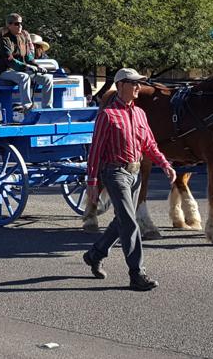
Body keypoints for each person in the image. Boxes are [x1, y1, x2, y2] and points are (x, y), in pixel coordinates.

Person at [82, 68, 176, 291]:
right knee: (130, 223)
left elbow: (150, 145)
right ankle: (137, 274)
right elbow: (95, 150)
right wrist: (92, 183)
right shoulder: (108, 115)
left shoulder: (140, 114)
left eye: (138, 83)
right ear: (120, 85)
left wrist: (164, 164)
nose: (137, 87)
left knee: (122, 221)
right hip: (114, 173)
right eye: (133, 83)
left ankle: (94, 255)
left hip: (135, 174)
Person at [0, 13, 54, 111]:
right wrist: (27, 67)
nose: (20, 26)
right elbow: (9, 60)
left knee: (48, 78)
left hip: (24, 70)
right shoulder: (4, 40)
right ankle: (27, 106)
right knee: (24, 76)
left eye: (20, 23)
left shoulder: (23, 38)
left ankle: (47, 108)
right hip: (6, 71)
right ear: (9, 25)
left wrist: (37, 66)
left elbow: (29, 57)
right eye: (16, 24)